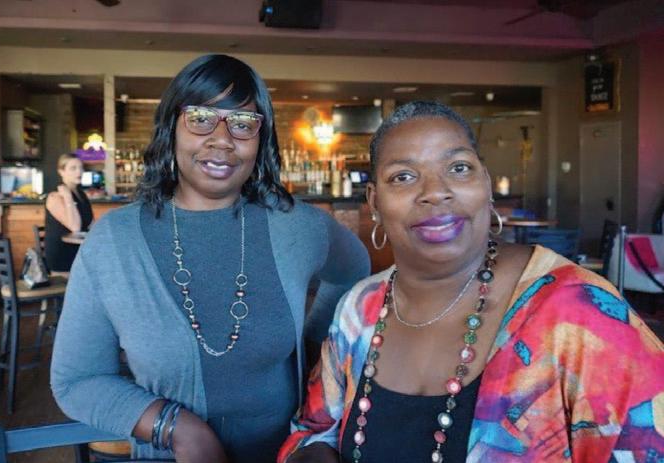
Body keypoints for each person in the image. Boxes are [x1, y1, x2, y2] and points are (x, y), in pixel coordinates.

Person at [279, 101, 664, 463]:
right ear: (375, 202)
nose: (435, 192)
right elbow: (314, 430)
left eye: (459, 168)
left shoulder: (579, 311)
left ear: (487, 184)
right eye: (403, 176)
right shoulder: (361, 307)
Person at [50, 54, 370, 463]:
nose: (222, 139)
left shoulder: (296, 226)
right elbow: (77, 381)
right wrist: (178, 429)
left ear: (261, 138)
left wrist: (314, 350)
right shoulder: (114, 241)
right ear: (171, 127)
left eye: (243, 124)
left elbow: (353, 268)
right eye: (200, 118)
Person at [44, 153, 93, 273]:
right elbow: (75, 227)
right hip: (63, 255)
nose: (79, 172)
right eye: (73, 168)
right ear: (61, 172)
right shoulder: (55, 196)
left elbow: (91, 224)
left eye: (81, 168)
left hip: (79, 250)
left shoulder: (81, 194)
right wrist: (68, 197)